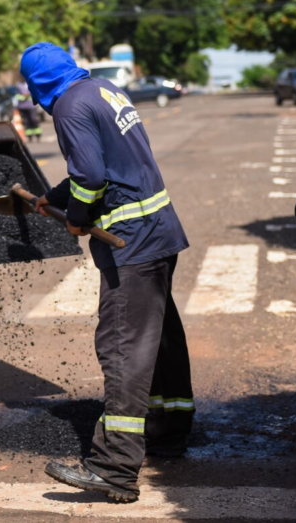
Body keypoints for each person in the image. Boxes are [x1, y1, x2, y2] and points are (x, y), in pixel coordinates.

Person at [21, 42, 192, 503]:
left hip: (131, 242)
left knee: (123, 347)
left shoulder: (68, 108)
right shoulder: (102, 90)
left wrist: (76, 215)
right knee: (161, 338)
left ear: (38, 87)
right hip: (160, 230)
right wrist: (54, 198)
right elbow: (114, 164)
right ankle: (169, 432)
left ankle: (114, 468)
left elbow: (93, 179)